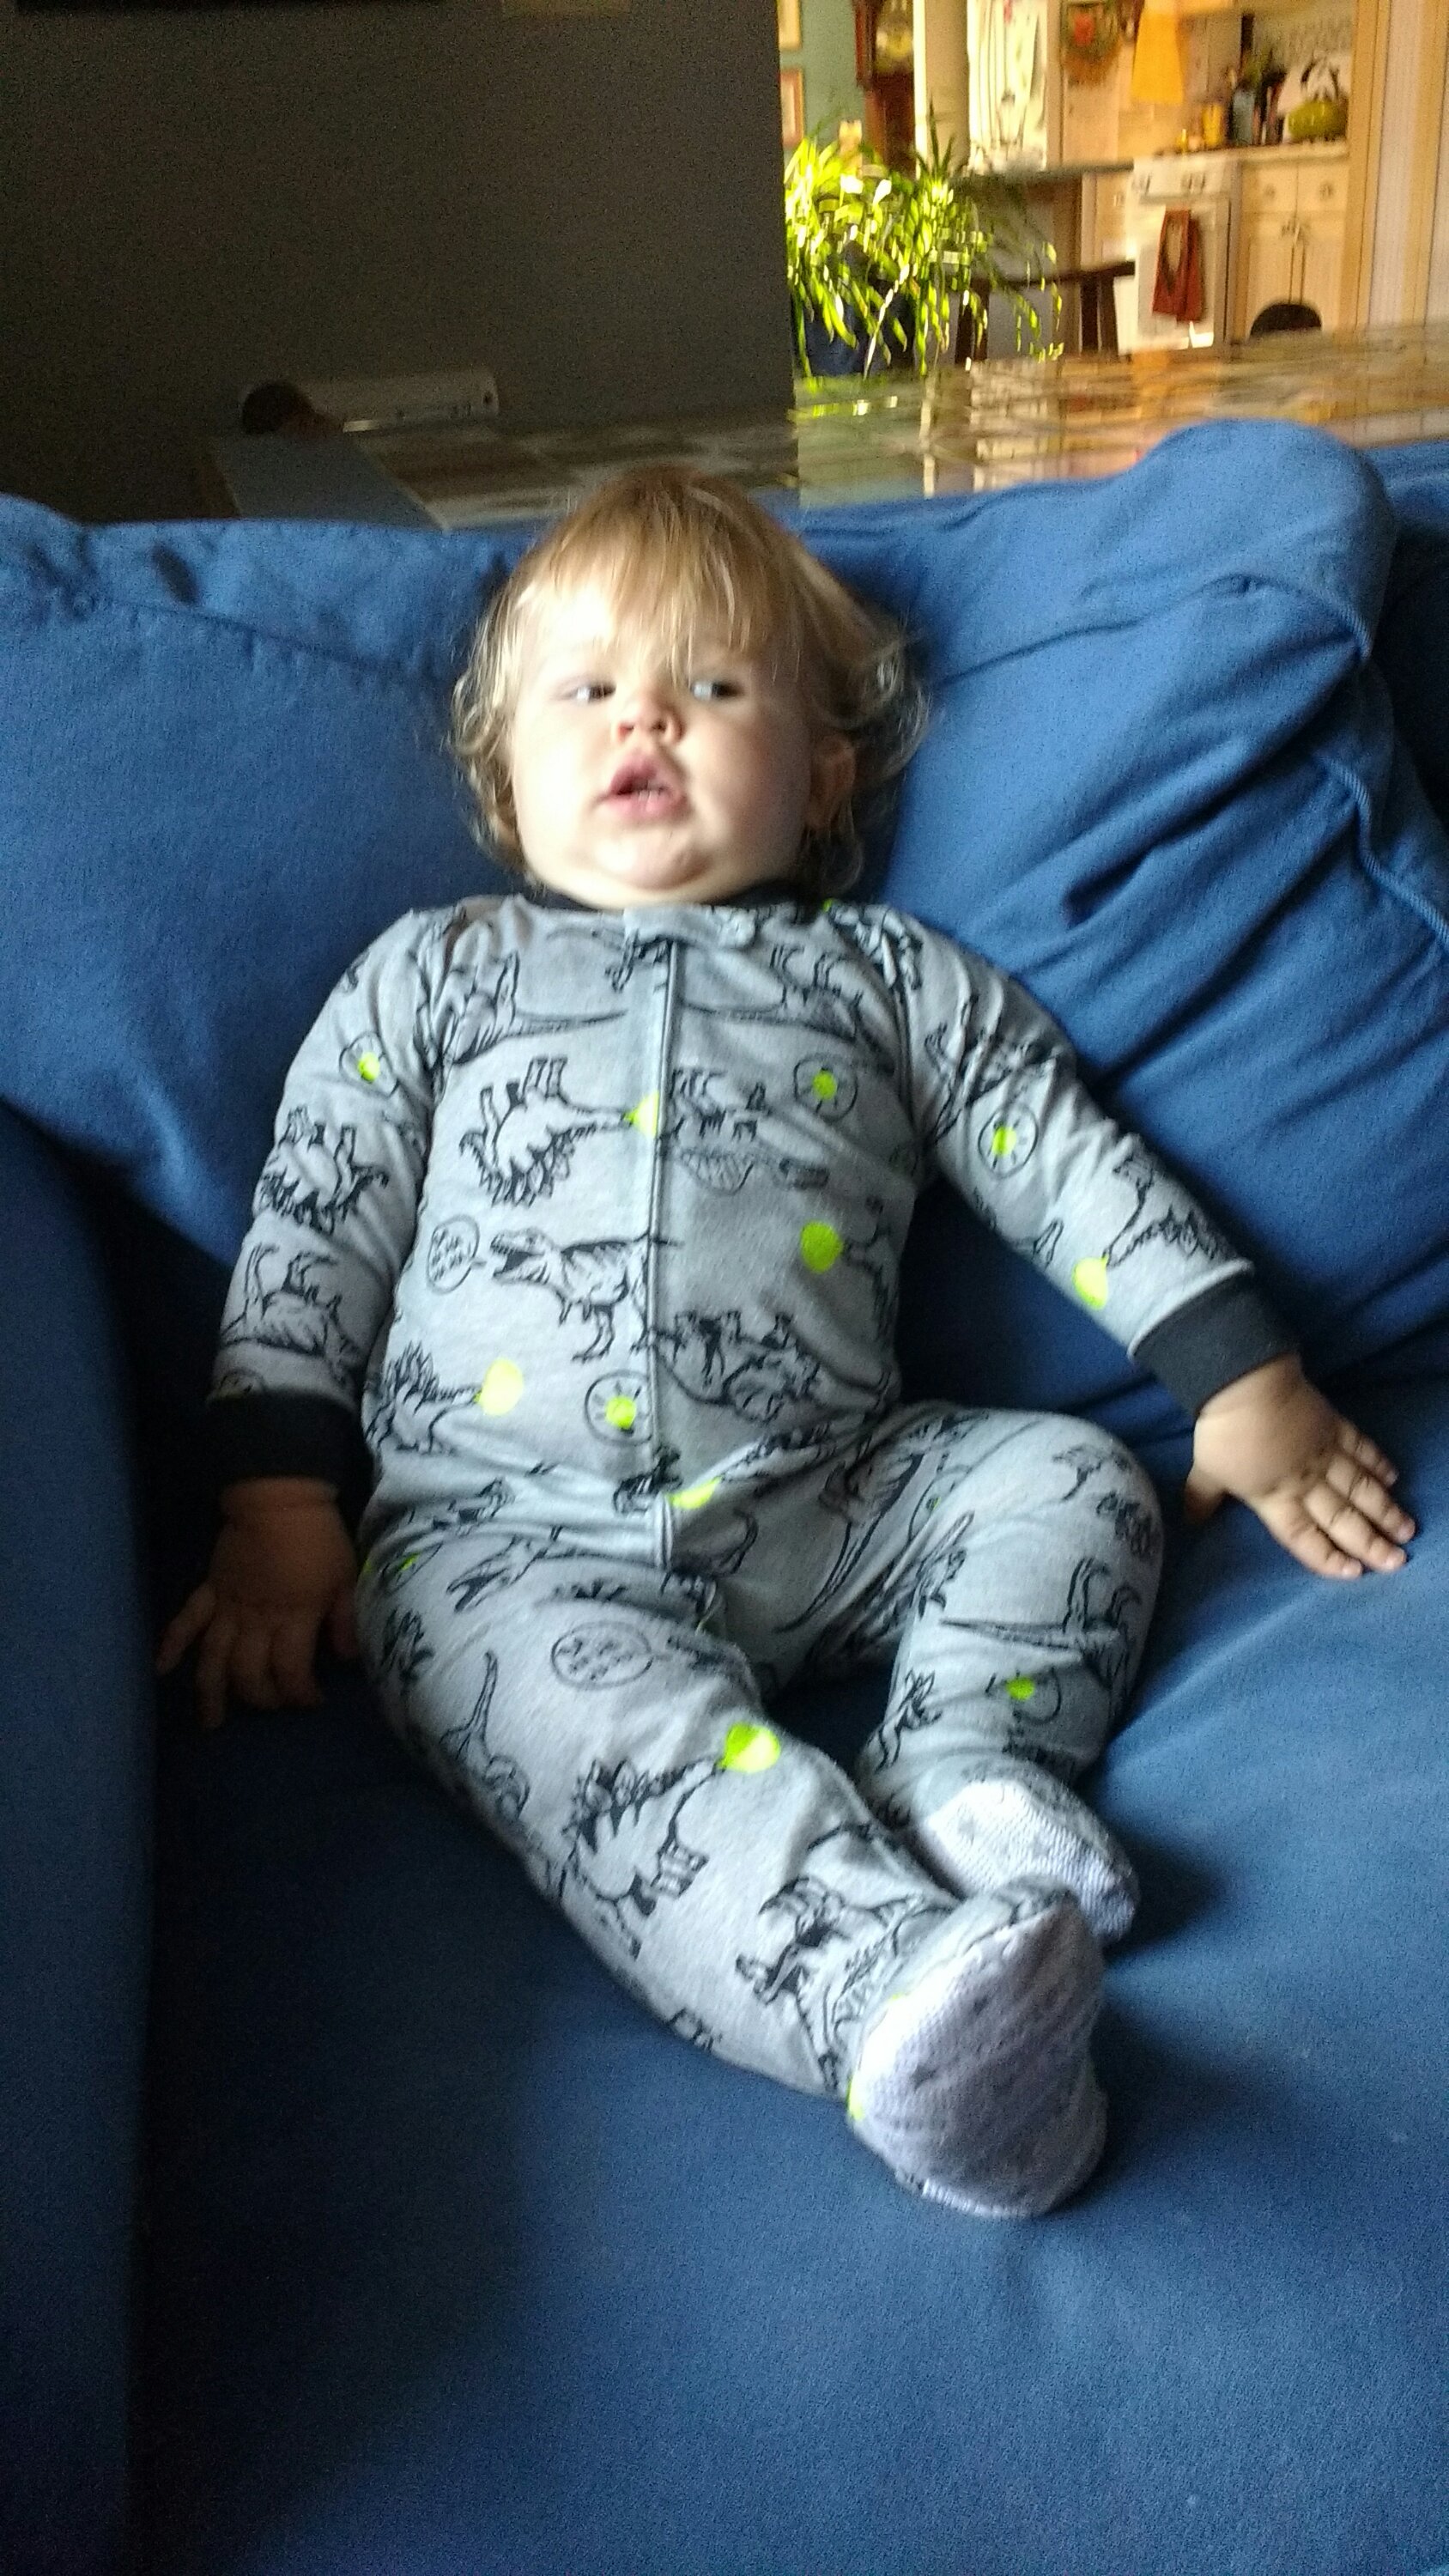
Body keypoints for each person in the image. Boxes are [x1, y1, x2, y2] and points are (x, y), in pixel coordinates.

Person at [159, 468, 1414, 2219]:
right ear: (505, 782)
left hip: (835, 1501)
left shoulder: (891, 977)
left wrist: (1243, 1379)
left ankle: (966, 1769)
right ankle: (894, 1998)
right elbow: (316, 1225)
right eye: (587, 691)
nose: (645, 722)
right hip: (505, 1546)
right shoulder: (432, 977)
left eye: (715, 685)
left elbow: (1059, 1162)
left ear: (822, 775)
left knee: (1070, 1479)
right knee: (609, 1748)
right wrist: (279, 1505)